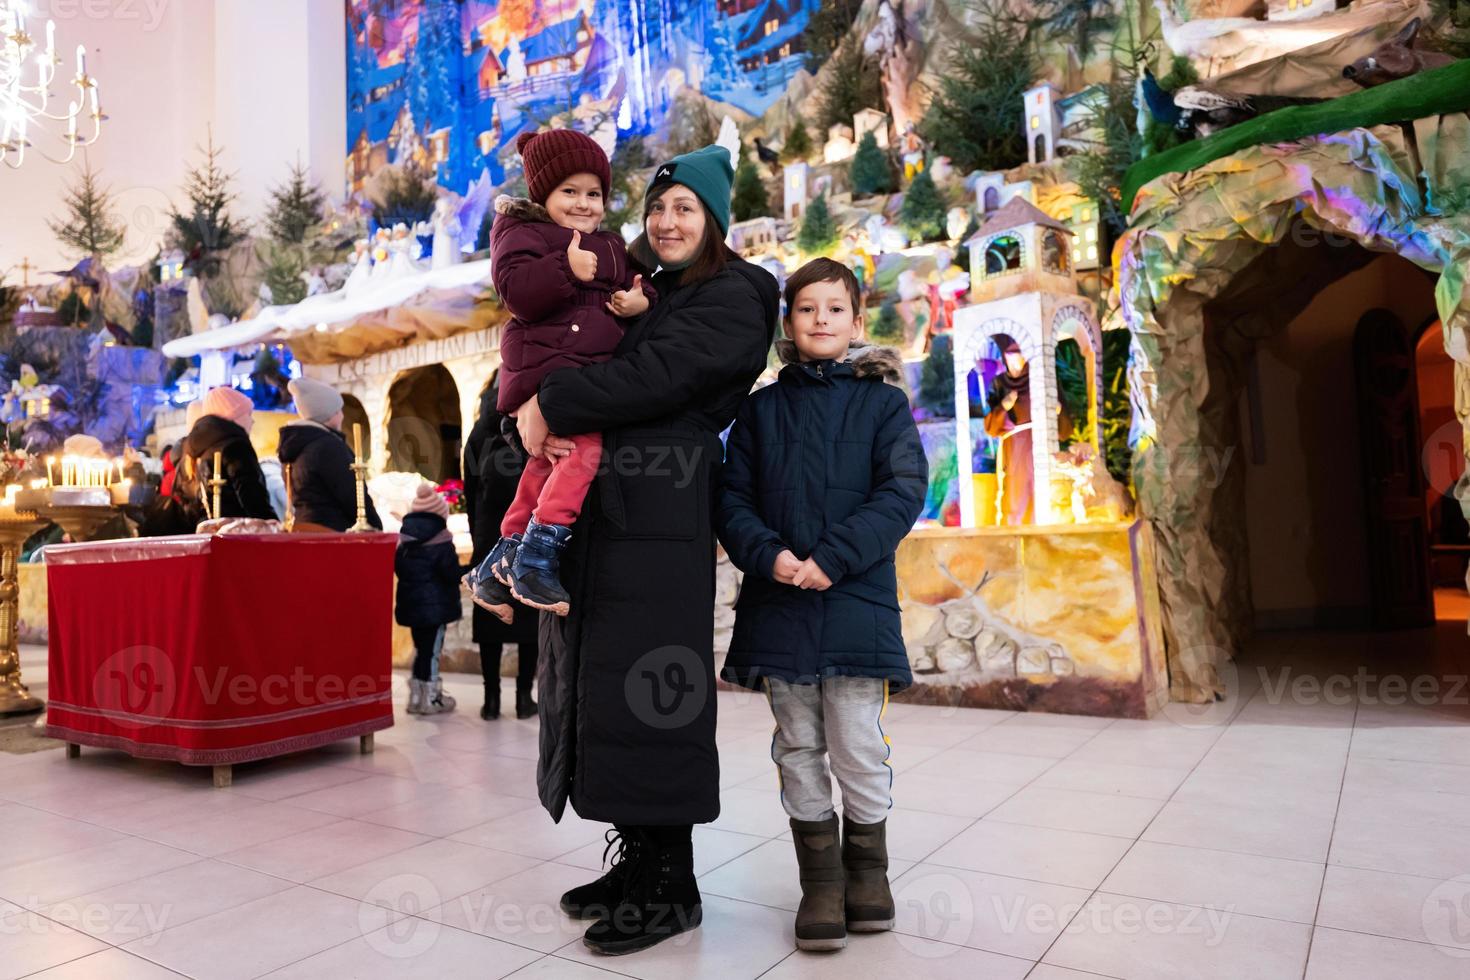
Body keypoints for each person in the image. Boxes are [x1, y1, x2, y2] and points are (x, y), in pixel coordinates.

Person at [513, 144, 778, 955]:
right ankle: (636, 859)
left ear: (714, 222)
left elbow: (656, 379)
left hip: (663, 512)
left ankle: (672, 884)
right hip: (606, 511)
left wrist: (547, 400)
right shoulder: (643, 291)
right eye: (658, 207)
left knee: (656, 691)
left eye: (685, 209)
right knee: (604, 686)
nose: (667, 221)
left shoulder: (738, 293)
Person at [716, 258, 927, 952]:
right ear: (789, 322)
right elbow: (732, 499)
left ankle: (869, 873)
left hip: (856, 598)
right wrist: (770, 556)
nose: (821, 320)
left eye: (835, 309)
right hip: (779, 604)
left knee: (858, 743)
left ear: (857, 321)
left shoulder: (883, 404)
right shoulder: (760, 409)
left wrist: (830, 560)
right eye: (807, 309)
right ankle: (822, 883)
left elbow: (900, 492)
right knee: (798, 744)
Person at [465, 128, 655, 618]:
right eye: (569, 191)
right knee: (583, 451)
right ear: (543, 193)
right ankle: (539, 551)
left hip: (579, 373)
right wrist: (565, 268)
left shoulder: (610, 244)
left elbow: (635, 279)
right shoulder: (519, 234)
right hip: (545, 368)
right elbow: (519, 295)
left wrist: (640, 300)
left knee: (547, 463)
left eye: (593, 193)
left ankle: (500, 559)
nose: (583, 203)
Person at [463, 376, 539, 721]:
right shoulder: (529, 421)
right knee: (529, 613)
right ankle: (525, 698)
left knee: (489, 615)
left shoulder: (477, 437)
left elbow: (469, 492)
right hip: (526, 534)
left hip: (487, 537)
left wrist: (478, 536)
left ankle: (490, 700)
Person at [277, 377, 382, 532]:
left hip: (304, 529)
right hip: (334, 533)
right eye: (339, 410)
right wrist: (375, 527)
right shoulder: (328, 447)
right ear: (329, 414)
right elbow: (351, 495)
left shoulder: (295, 446)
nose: (342, 416)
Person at [394, 482, 462, 715]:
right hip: (436, 608)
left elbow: (400, 570)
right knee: (431, 651)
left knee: (420, 649)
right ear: (439, 514)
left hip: (411, 606)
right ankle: (431, 698)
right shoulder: (441, 539)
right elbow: (450, 573)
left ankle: (415, 698)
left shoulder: (405, 539)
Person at [182, 386, 275, 521]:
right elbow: (253, 498)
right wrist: (272, 525)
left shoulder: (195, 451)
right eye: (248, 414)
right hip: (240, 534)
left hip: (210, 531)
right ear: (235, 417)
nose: (252, 421)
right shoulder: (236, 447)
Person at [984, 340, 1034, 525]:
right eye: (1010, 354)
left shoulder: (1038, 379)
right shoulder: (998, 383)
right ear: (1005, 356)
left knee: (1040, 489)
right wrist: (1004, 406)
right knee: (1015, 493)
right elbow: (990, 426)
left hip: (1037, 442)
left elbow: (1061, 416)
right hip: (1014, 447)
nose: (1016, 359)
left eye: (1019, 353)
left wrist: (1058, 409)